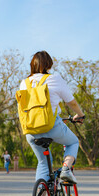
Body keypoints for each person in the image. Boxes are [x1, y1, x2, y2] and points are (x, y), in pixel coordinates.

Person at [19, 51, 85, 183]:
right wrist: (80, 114)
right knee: (73, 142)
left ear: (32, 65)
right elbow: (71, 102)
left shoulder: (24, 83)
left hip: (30, 130)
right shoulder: (54, 79)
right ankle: (66, 169)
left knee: (43, 163)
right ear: (48, 64)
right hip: (51, 125)